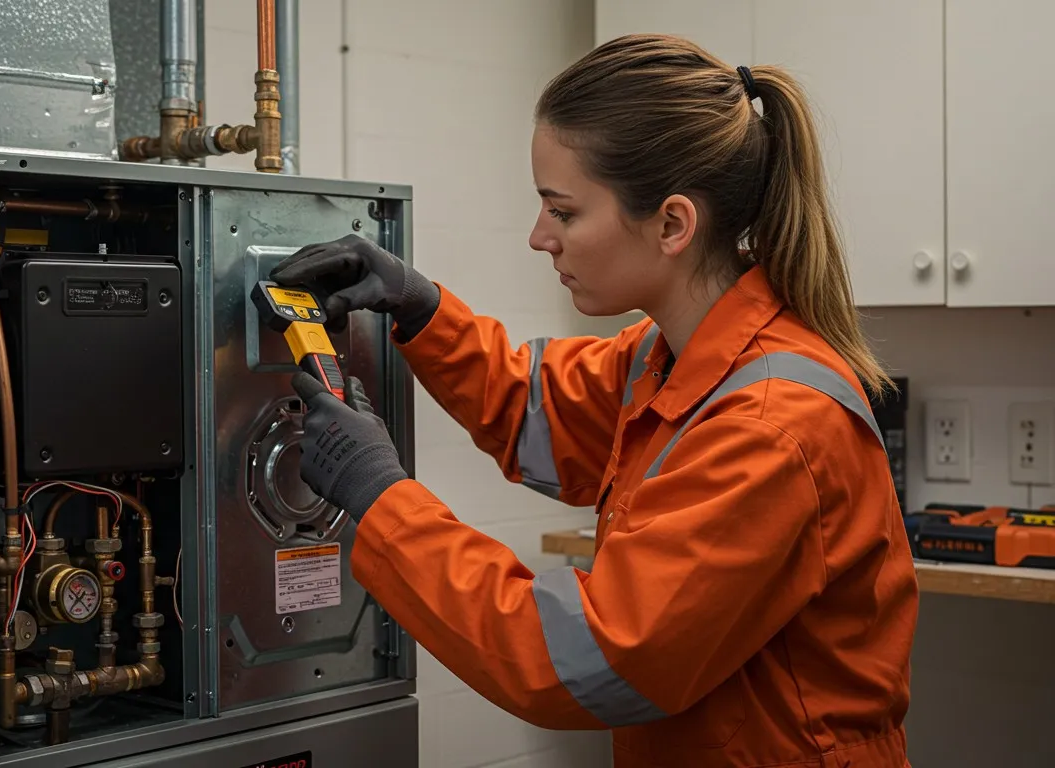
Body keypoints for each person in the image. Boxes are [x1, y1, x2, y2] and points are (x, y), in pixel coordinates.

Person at [270, 33, 918, 768]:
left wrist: (380, 496)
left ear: (673, 224)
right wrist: (419, 308)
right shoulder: (667, 355)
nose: (538, 237)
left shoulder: (772, 426)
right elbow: (533, 408)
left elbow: (579, 657)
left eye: (565, 211)